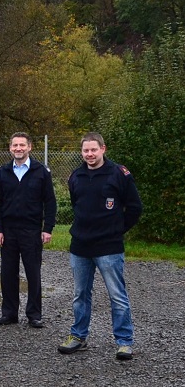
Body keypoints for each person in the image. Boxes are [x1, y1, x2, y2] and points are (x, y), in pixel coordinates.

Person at [58, 132, 143, 360]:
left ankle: (124, 342)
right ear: (81, 152)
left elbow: (135, 207)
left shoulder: (119, 174)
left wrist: (116, 230)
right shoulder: (76, 176)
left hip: (109, 247)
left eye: (94, 150)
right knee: (80, 295)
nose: (90, 154)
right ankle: (78, 337)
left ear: (103, 149)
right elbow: (77, 204)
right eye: (86, 150)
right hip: (81, 247)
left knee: (117, 296)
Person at [0, 132, 56, 328]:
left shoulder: (41, 172)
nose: (18, 148)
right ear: (10, 148)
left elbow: (50, 202)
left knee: (33, 273)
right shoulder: (2, 172)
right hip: (8, 231)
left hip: (32, 230)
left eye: (22, 145)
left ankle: (34, 314)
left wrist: (47, 229)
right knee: (8, 273)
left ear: (30, 147)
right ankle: (9, 313)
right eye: (15, 145)